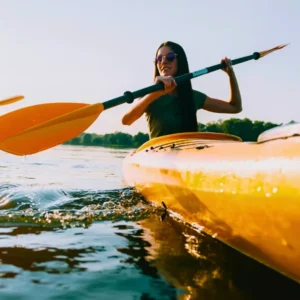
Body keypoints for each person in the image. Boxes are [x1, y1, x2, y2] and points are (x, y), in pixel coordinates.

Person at [122, 41, 242, 139]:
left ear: (180, 61)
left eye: (170, 57)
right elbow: (126, 120)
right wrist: (155, 93)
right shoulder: (149, 96)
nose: (163, 62)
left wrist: (230, 74)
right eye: (159, 58)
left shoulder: (193, 96)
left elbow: (235, 108)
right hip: (159, 155)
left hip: (188, 154)